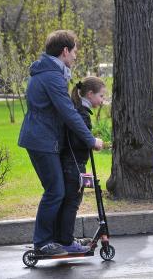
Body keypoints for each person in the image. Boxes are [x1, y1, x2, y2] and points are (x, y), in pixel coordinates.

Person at [18, 30, 103, 256]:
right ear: (65, 51)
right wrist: (90, 139)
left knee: (58, 191)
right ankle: (43, 242)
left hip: (43, 138)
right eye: (74, 51)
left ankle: (59, 239)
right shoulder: (52, 76)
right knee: (55, 191)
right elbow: (67, 112)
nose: (76, 56)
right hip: (41, 140)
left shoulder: (49, 72)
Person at [54, 76, 106, 252]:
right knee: (72, 203)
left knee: (69, 202)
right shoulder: (82, 114)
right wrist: (93, 141)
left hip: (71, 163)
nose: (102, 100)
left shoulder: (77, 110)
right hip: (74, 165)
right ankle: (67, 242)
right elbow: (77, 141)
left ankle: (63, 237)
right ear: (90, 94)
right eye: (101, 96)